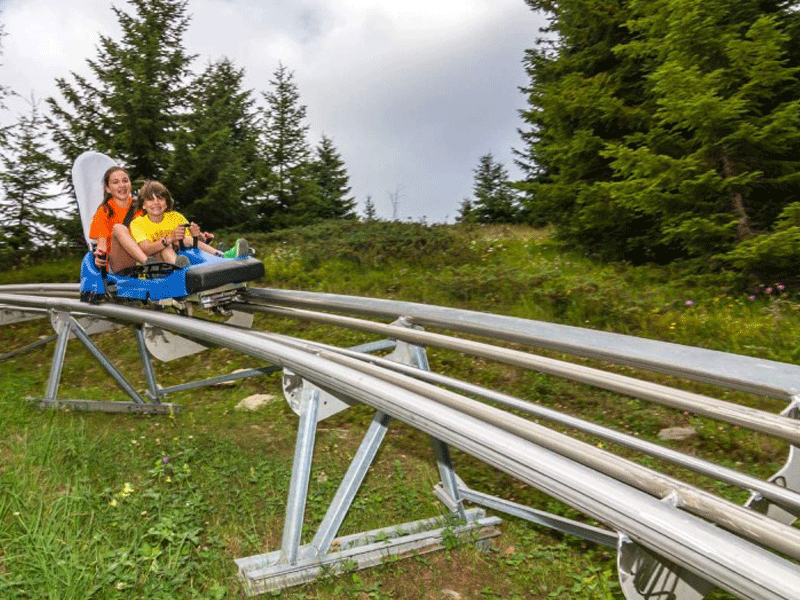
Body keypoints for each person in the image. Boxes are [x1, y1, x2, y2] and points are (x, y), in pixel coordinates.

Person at [129, 180, 249, 267]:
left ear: (166, 202)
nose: (156, 203)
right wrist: (169, 239)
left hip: (182, 254)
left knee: (184, 239)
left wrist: (198, 236)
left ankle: (222, 255)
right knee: (166, 248)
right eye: (151, 199)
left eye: (160, 198)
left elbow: (192, 242)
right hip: (158, 261)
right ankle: (181, 269)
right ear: (143, 205)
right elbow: (145, 249)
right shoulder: (138, 223)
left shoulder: (175, 217)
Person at [89, 165, 148, 273]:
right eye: (116, 182)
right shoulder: (104, 211)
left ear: (130, 184)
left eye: (125, 181)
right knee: (118, 228)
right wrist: (99, 256)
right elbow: (101, 244)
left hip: (143, 253)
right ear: (107, 188)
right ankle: (149, 263)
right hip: (119, 264)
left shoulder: (142, 208)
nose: (122, 185)